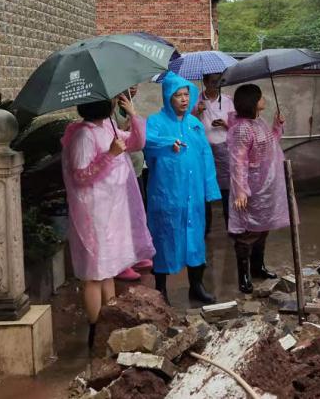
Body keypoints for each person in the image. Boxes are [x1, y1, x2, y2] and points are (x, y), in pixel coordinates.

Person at [61, 95, 155, 349]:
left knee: (109, 268)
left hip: (112, 209)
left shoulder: (108, 127)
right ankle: (95, 328)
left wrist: (134, 116)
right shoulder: (83, 135)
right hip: (93, 211)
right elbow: (80, 175)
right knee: (94, 271)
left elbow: (136, 143)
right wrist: (110, 155)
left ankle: (110, 320)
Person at [144, 72, 221, 304]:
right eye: (177, 95)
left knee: (196, 239)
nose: (184, 99)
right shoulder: (155, 122)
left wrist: (209, 190)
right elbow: (147, 144)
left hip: (194, 194)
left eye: (186, 94)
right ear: (168, 97)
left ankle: (196, 285)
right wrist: (169, 145)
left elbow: (206, 156)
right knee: (164, 238)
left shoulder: (195, 124)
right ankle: (161, 289)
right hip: (167, 193)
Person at [227, 84, 289, 293]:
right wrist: (241, 190)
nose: (264, 100)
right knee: (246, 233)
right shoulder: (242, 128)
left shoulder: (258, 122)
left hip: (265, 187)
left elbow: (270, 144)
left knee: (262, 229)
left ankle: (258, 267)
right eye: (260, 97)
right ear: (252, 102)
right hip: (250, 187)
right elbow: (238, 162)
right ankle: (243, 275)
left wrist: (277, 125)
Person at [112, 84, 149, 282]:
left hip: (134, 167)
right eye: (128, 84)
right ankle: (122, 261)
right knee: (122, 217)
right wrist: (130, 120)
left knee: (136, 212)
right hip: (117, 173)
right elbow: (121, 139)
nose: (133, 88)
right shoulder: (111, 112)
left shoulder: (126, 105)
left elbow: (139, 139)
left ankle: (136, 253)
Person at [193, 73, 236, 235]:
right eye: (212, 82)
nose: (216, 85)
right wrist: (197, 112)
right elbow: (189, 124)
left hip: (224, 148)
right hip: (203, 150)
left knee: (227, 188)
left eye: (219, 82)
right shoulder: (195, 101)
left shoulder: (227, 100)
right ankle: (205, 228)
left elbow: (235, 124)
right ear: (204, 82)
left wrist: (225, 123)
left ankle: (231, 226)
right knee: (203, 188)